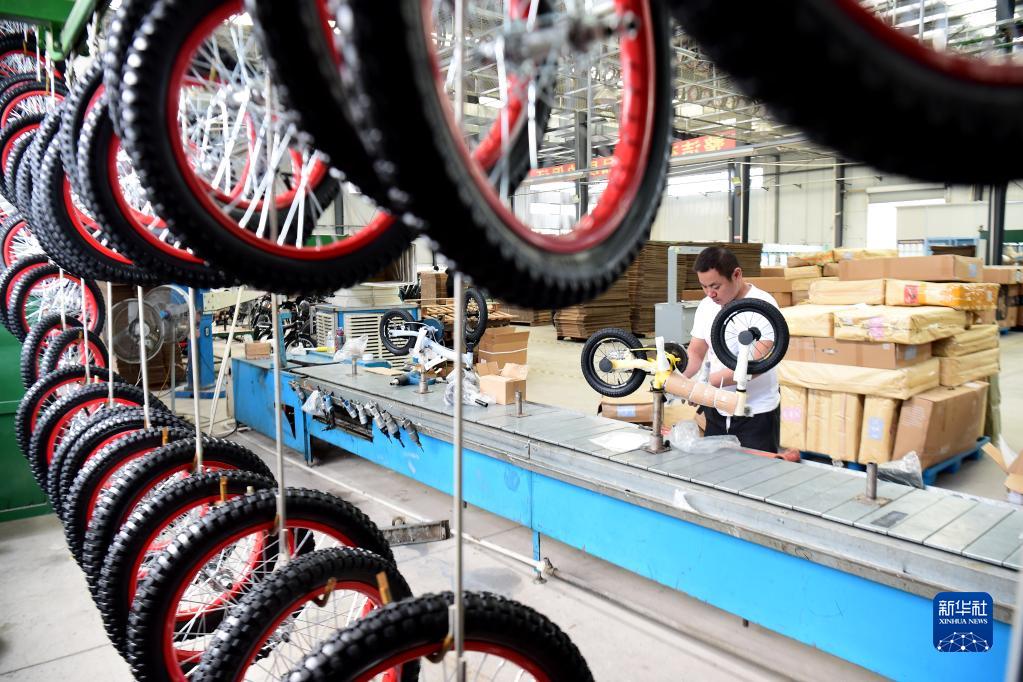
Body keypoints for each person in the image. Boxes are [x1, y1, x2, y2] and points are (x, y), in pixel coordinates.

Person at [683, 246, 781, 453]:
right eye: (704, 287)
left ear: (736, 275)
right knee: (715, 470)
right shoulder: (706, 306)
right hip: (716, 408)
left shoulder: (764, 306)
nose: (710, 294)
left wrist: (703, 385)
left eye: (715, 286)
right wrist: (679, 378)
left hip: (755, 413)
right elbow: (696, 352)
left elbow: (756, 365)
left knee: (756, 472)